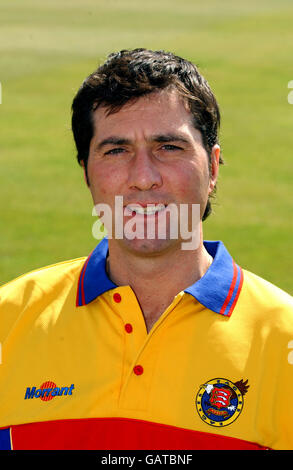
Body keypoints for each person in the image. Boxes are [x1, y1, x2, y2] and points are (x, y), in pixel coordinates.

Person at [0, 48, 292, 451]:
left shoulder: (284, 340)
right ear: (86, 173)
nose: (143, 178)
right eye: (116, 150)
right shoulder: (8, 321)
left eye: (168, 147)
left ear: (213, 167)